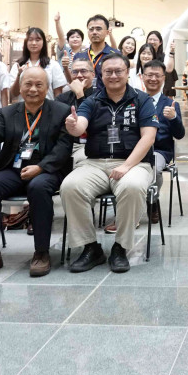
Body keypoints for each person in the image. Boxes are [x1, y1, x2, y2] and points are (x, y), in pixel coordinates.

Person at [0, 66, 74, 279]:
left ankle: (41, 252)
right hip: (14, 168)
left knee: (38, 188)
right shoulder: (8, 112)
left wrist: (41, 167)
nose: (33, 89)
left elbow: (63, 147)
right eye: (28, 84)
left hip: (47, 169)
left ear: (47, 88)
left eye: (39, 85)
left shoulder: (61, 110)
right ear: (21, 86)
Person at [62, 52, 158, 273]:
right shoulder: (91, 101)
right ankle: (90, 247)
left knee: (132, 187)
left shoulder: (142, 100)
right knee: (70, 186)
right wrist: (73, 125)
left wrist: (125, 166)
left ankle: (120, 247)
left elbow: (148, 137)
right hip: (95, 163)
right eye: (108, 72)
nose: (113, 75)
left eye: (118, 71)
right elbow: (80, 126)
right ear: (100, 75)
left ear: (127, 73)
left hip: (134, 164)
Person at [141, 60, 185, 224]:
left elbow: (180, 135)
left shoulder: (171, 104)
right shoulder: (136, 100)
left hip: (159, 151)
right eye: (149, 75)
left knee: (154, 170)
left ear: (163, 78)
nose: (153, 79)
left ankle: (152, 203)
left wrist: (173, 118)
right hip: (134, 150)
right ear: (143, 77)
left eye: (157, 75)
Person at [9, 27, 65, 102]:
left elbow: (58, 93)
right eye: (30, 40)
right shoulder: (18, 65)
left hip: (47, 110)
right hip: (24, 110)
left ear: (43, 42)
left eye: (37, 40)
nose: (34, 43)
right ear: (26, 42)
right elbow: (13, 94)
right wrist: (19, 75)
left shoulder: (53, 65)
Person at [73, 15, 120, 90]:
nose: (94, 32)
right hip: (83, 98)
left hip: (108, 99)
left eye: (98, 29)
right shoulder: (79, 56)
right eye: (91, 29)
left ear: (107, 32)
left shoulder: (115, 55)